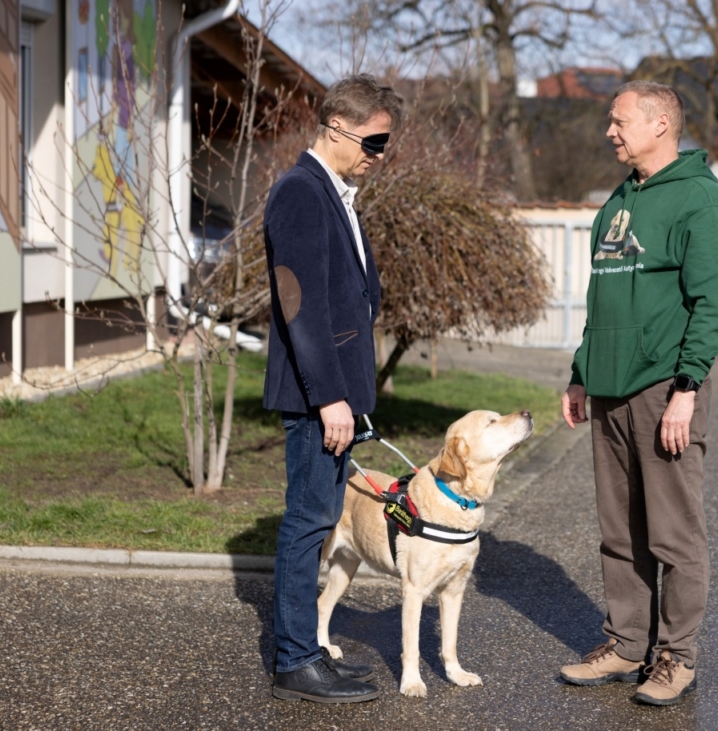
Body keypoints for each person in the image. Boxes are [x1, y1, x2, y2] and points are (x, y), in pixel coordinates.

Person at [558, 80, 718, 706]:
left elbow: (712, 306)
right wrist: (582, 371)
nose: (611, 130)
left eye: (620, 120)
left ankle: (675, 656)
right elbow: (602, 299)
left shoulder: (701, 203)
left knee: (673, 535)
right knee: (619, 532)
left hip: (664, 388)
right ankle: (626, 643)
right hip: (608, 389)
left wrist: (687, 389)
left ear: (660, 124)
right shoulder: (619, 200)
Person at [262, 74, 403, 704]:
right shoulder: (301, 191)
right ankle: (294, 660)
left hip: (337, 396)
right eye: (374, 142)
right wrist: (328, 397)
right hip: (319, 398)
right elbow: (300, 307)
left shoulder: (334, 193)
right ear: (338, 126)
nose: (380, 155)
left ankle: (310, 649)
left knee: (316, 522)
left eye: (386, 145)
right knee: (308, 523)